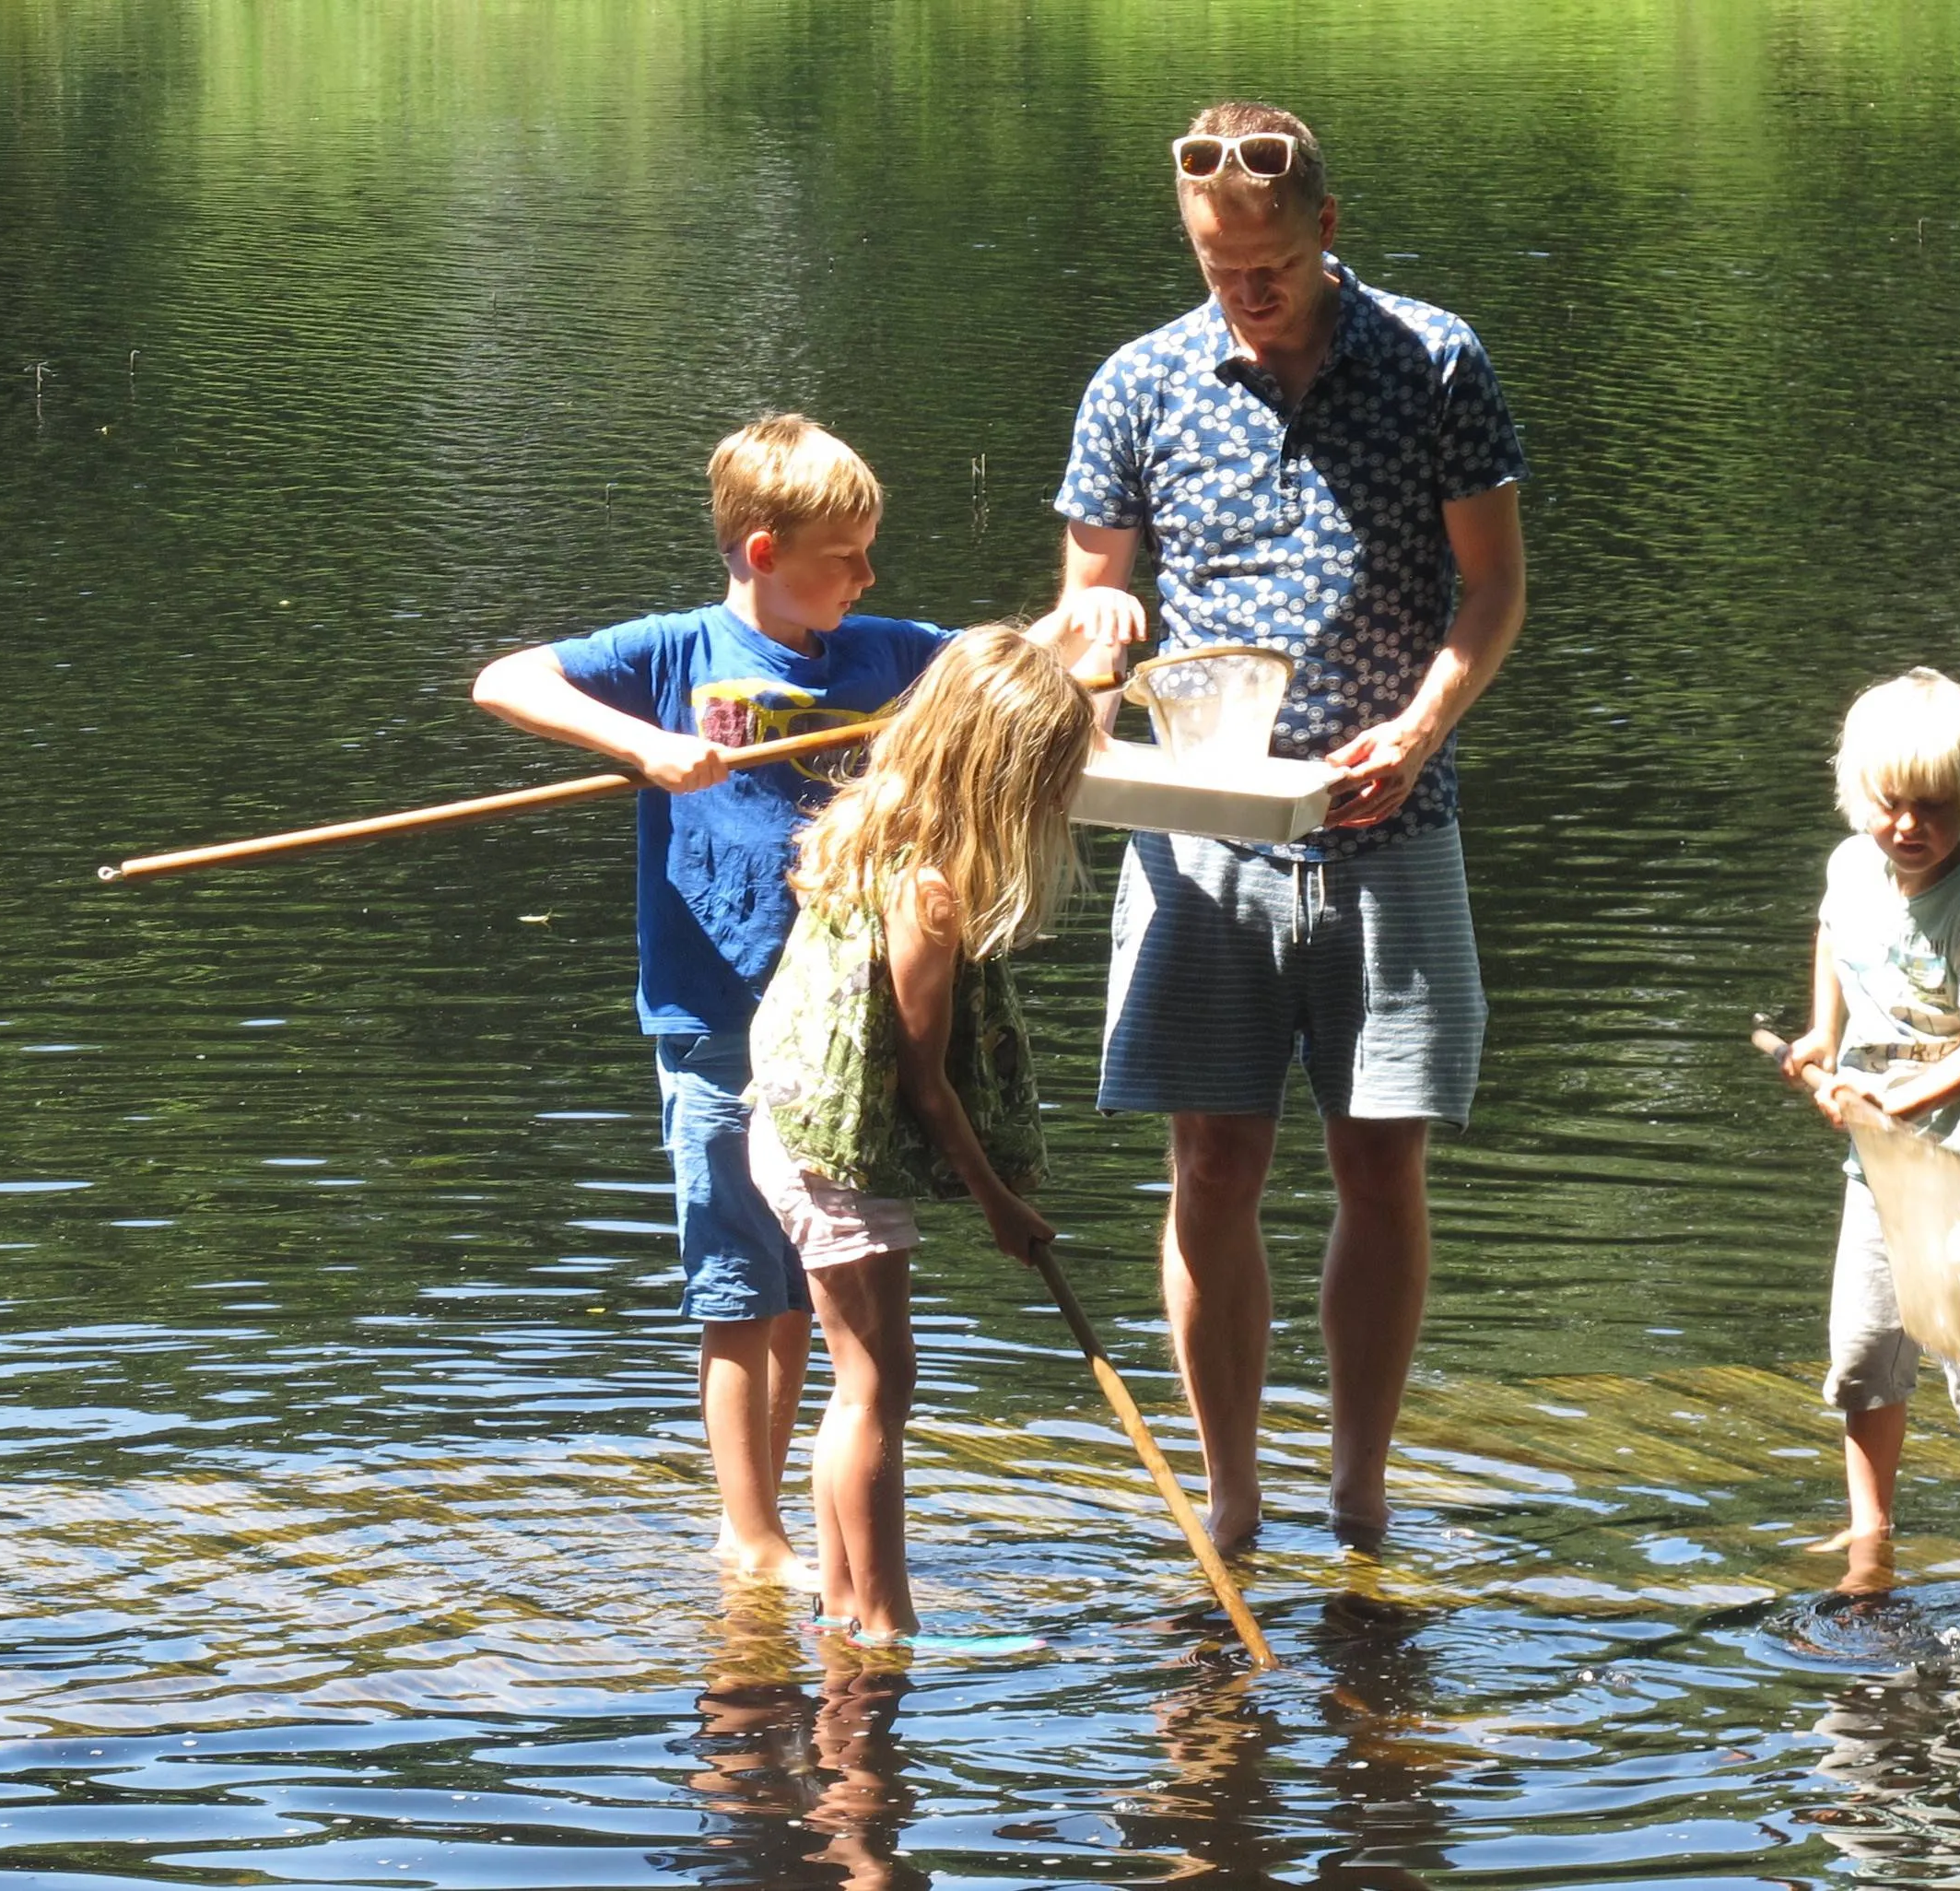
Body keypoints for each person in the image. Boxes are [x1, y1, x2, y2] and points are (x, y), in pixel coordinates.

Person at [1048, 101, 1530, 1549]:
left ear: (1325, 229)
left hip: (1395, 811)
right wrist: (1094, 637)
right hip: (1201, 825)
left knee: (1384, 1156)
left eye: (1265, 264)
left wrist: (1421, 729)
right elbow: (1085, 610)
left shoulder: (1433, 358)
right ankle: (1236, 1496)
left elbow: (1493, 588)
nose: (1242, 292)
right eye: (1214, 264)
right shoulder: (1138, 384)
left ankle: (1361, 1488)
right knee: (1213, 1161)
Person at [472, 416, 957, 1590]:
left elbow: (1013, 676)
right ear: (761, 550)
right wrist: (640, 746)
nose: (867, 576)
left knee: (820, 1276)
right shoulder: (676, 656)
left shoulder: (889, 656)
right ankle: (750, 1536)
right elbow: (505, 679)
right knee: (745, 1283)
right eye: (845, 556)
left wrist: (1081, 637)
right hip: (716, 1016)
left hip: (844, 1028)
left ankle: (807, 1529)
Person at [743, 628, 1096, 1644]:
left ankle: (845, 1606)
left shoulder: (865, 822)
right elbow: (926, 1083)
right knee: (880, 1387)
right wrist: (999, 1203)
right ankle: (888, 1625)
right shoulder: (931, 891)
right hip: (832, 1159)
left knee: (859, 1388)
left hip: (788, 1127)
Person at [1778, 670, 1960, 1568]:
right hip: (1878, 1171)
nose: (1910, 826)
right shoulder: (1855, 868)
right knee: (1863, 1354)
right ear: (1863, 794)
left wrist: (1895, 1098)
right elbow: (1832, 932)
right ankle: (1871, 1527)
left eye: (1935, 807)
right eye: (1894, 804)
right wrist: (1824, 1034)